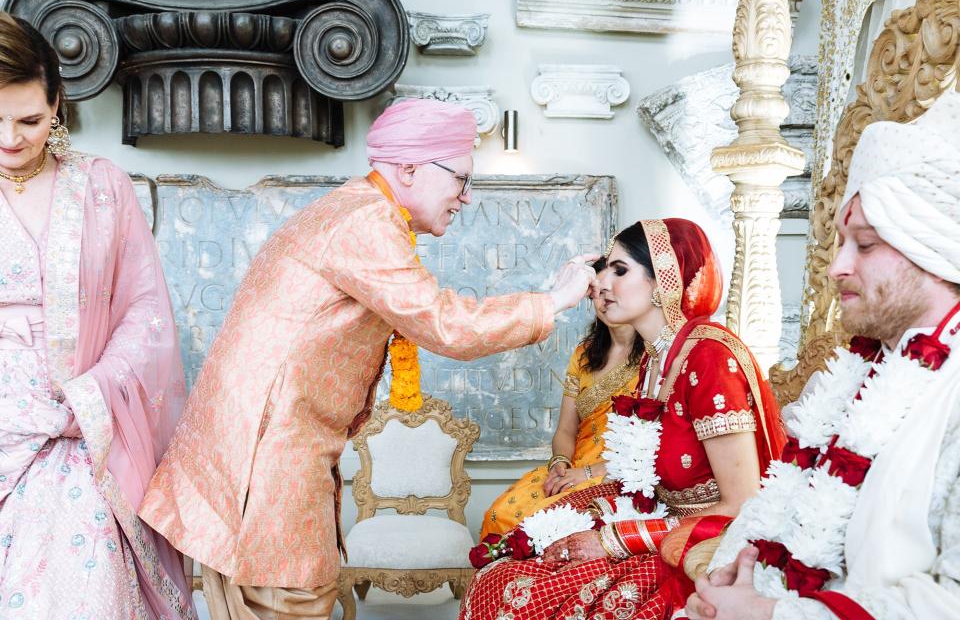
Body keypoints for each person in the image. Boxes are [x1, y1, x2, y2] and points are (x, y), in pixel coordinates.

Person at [138, 98, 597, 619]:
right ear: (409, 169)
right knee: (292, 600)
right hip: (267, 452)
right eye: (461, 181)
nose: (465, 199)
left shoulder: (358, 210)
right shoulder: (366, 223)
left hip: (258, 445)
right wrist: (554, 300)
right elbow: (446, 325)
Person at [685, 91, 960, 620]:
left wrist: (769, 615)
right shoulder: (854, 374)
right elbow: (772, 510)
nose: (836, 266)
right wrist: (724, 577)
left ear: (934, 248)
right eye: (841, 242)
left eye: (866, 243)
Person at [461, 218, 785, 620]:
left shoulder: (710, 356)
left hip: (699, 546)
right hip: (655, 522)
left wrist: (614, 540)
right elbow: (640, 478)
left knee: (520, 592)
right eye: (602, 271)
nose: (600, 284)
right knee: (504, 570)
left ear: (664, 278)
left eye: (620, 270)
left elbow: (741, 503)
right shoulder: (654, 359)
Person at [0, 13, 194, 618]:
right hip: (6, 417)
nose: (10, 137)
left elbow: (146, 312)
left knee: (86, 549)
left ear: (57, 103)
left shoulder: (101, 187)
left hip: (85, 419)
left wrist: (92, 394)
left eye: (29, 120)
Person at [480, 273, 644, 537]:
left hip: (615, 475)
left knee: (543, 528)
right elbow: (566, 430)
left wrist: (589, 473)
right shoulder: (585, 355)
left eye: (612, 289)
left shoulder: (655, 357)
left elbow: (656, 445)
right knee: (500, 515)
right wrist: (560, 464)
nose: (605, 298)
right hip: (572, 467)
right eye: (597, 293)